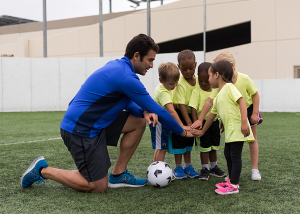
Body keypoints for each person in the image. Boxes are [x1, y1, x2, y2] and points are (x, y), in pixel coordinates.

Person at [20, 34, 193, 193]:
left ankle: (118, 175)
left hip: (95, 123)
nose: (151, 65)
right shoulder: (126, 76)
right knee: (97, 186)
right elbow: (159, 111)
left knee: (138, 122)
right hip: (80, 129)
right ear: (137, 55)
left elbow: (129, 101)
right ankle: (43, 170)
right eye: (150, 60)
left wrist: (142, 111)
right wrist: (182, 131)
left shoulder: (120, 67)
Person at [191, 51, 262, 180]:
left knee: (248, 143)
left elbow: (247, 98)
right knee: (228, 153)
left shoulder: (234, 83)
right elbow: (212, 107)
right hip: (233, 117)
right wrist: (201, 123)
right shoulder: (219, 88)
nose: (208, 79)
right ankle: (232, 178)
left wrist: (250, 117)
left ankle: (252, 171)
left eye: (210, 75)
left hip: (248, 110)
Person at [189, 62, 226, 180]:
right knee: (204, 148)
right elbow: (193, 109)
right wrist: (196, 123)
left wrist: (222, 120)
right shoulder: (196, 91)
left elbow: (220, 107)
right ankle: (204, 168)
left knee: (214, 146)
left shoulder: (216, 90)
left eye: (206, 80)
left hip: (214, 123)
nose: (203, 84)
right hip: (202, 124)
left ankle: (214, 167)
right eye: (201, 80)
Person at [150, 62, 190, 162]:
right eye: (172, 83)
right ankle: (158, 172)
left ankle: (155, 170)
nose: (174, 85)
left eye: (176, 82)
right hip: (158, 122)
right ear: (161, 80)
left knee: (160, 148)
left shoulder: (163, 87)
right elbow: (171, 111)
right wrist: (181, 126)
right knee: (162, 148)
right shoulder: (163, 92)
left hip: (160, 121)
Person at [171, 49, 200, 179]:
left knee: (189, 141)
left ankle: (188, 166)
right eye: (184, 69)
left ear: (195, 65)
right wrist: (187, 123)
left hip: (193, 116)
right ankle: (178, 167)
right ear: (178, 67)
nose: (188, 71)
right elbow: (181, 105)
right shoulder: (180, 83)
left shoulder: (200, 80)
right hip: (180, 116)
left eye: (191, 68)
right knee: (179, 142)